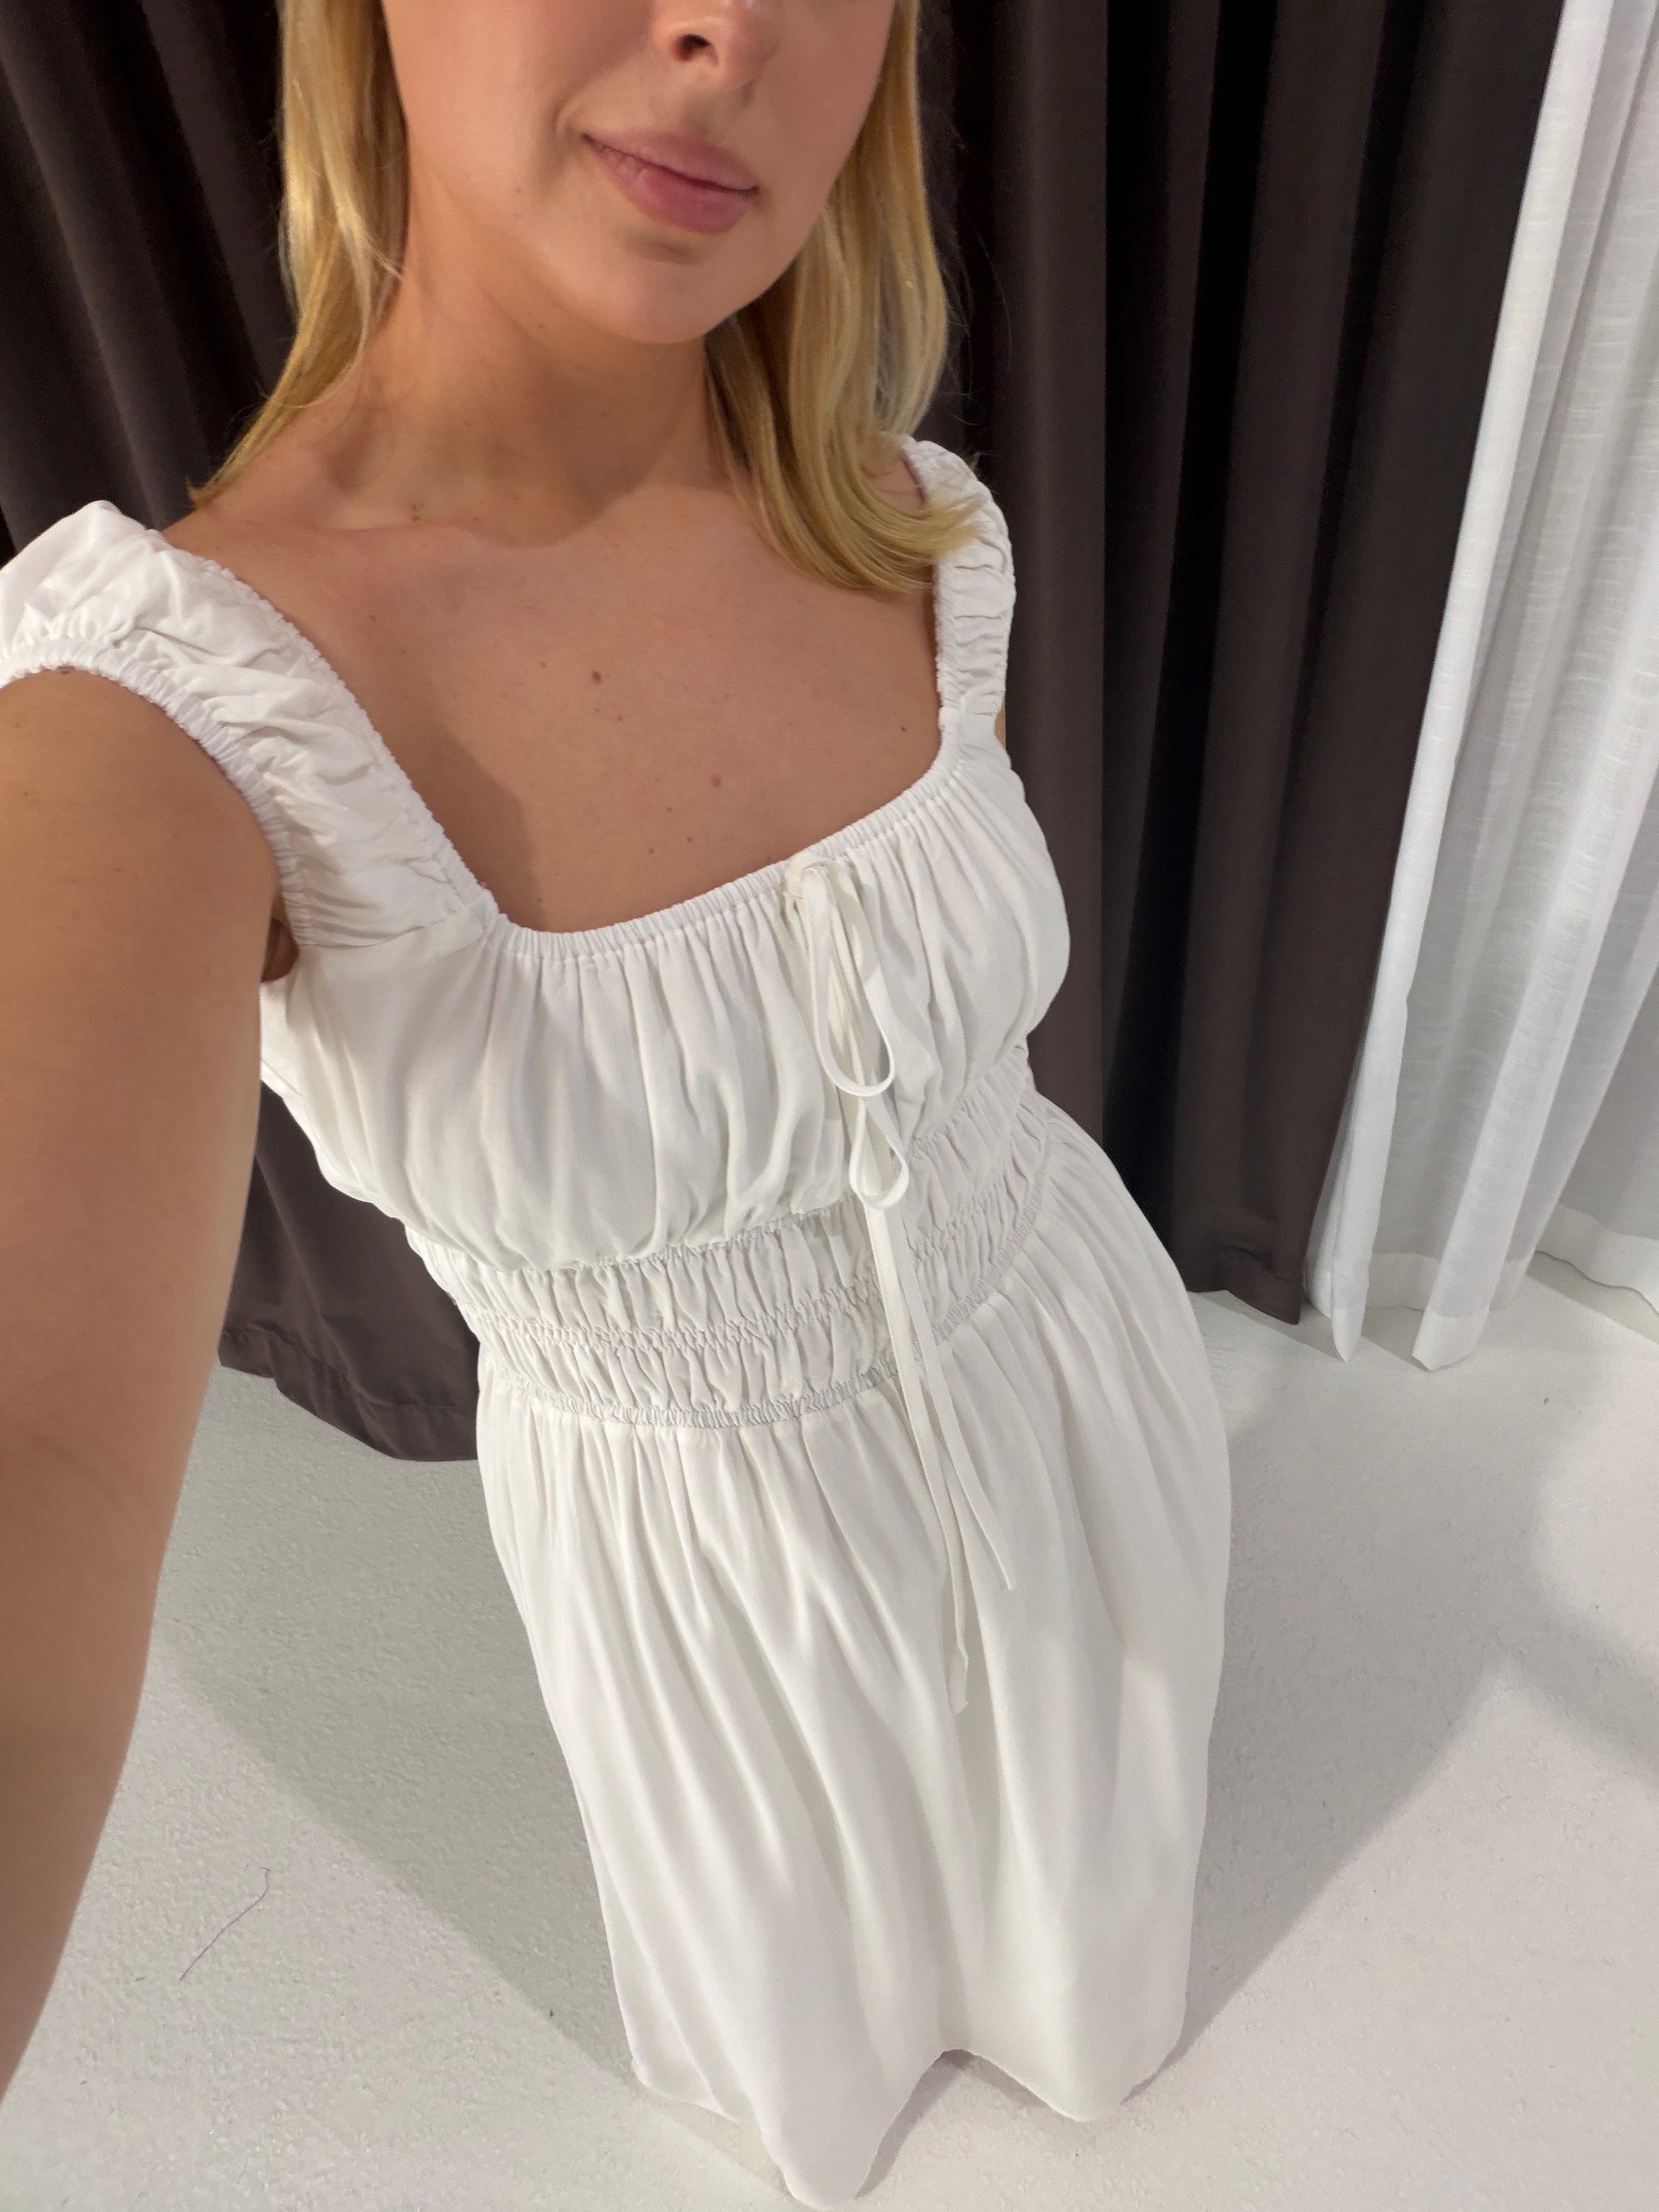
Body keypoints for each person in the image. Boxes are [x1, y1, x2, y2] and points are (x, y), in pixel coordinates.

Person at [0, 2, 1232, 2202]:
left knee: (1102, 1947)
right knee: (816, 2045)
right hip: (718, 1620)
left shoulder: (919, 525)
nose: (723, 31)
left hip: (1085, 1408)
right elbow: (41, 1452)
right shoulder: (179, 702)